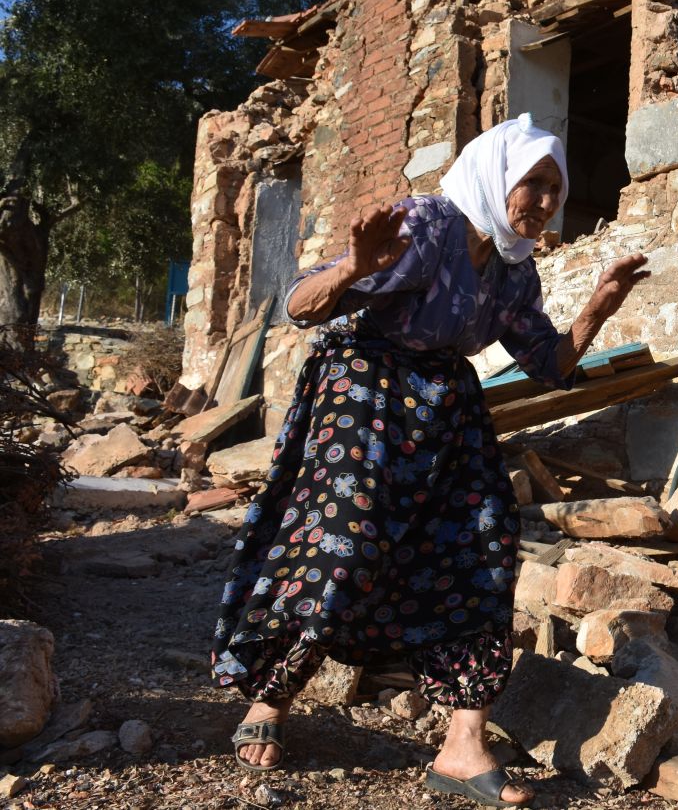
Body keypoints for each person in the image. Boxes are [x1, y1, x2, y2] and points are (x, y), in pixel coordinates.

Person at [210, 114, 647, 807]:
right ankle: (271, 692)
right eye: (532, 182)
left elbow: (549, 364)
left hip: (445, 399)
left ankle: (462, 739)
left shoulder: (513, 267)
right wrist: (356, 267)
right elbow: (300, 304)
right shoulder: (428, 224)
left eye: (553, 190)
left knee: (483, 543)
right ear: (497, 175)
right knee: (342, 541)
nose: (542, 201)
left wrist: (599, 306)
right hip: (364, 386)